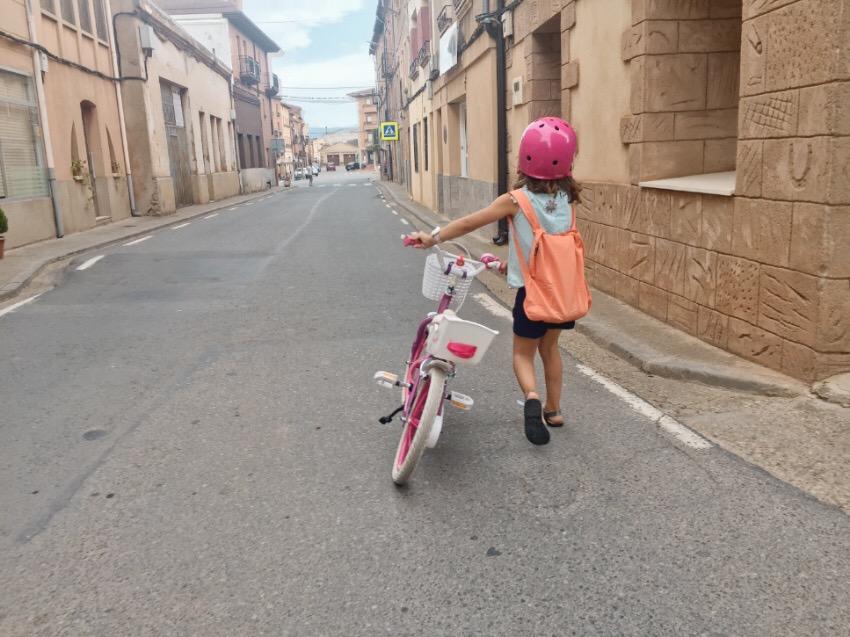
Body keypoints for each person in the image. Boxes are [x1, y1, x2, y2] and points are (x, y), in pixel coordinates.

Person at [405, 117, 581, 446]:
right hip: (562, 294)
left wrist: (433, 237)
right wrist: (504, 266)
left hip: (532, 295)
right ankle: (554, 410)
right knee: (550, 348)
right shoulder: (568, 202)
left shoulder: (516, 200)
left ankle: (532, 399)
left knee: (523, 354)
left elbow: (469, 222)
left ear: (525, 158)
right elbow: (546, 252)